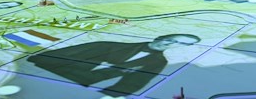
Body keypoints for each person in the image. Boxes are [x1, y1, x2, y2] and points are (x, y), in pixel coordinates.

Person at [27, 33, 200, 97]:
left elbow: (132, 84)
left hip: (76, 88)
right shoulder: (106, 45)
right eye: (171, 39)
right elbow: (45, 58)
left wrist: (105, 96)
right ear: (161, 37)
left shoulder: (158, 62)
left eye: (179, 43)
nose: (170, 44)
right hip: (42, 75)